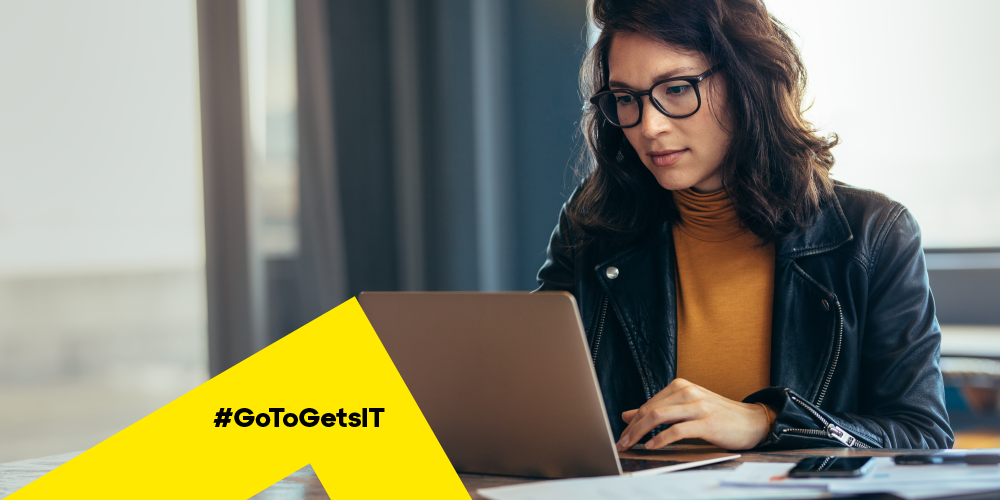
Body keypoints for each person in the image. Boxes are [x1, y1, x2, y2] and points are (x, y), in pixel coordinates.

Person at [536, 0, 953, 451]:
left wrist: (766, 421)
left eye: (675, 89)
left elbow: (922, 437)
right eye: (625, 98)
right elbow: (530, 402)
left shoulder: (874, 234)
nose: (649, 126)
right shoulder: (593, 227)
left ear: (746, 80)